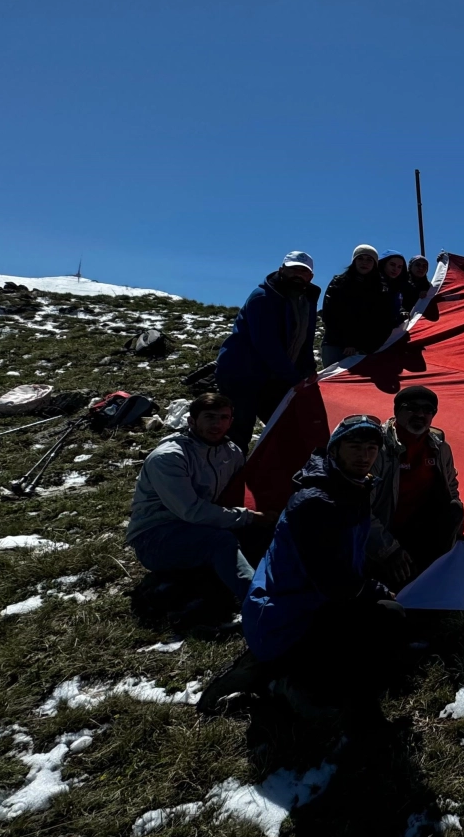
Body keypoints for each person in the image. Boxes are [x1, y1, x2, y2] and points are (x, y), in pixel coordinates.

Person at [240, 414, 406, 709]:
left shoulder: (351, 485)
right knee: (388, 617)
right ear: (335, 450)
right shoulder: (317, 502)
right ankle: (282, 677)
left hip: (308, 598)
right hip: (284, 615)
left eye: (371, 449)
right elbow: (336, 585)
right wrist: (375, 590)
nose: (364, 456)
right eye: (355, 447)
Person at [126, 393, 265, 600]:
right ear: (192, 421)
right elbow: (191, 511)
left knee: (261, 533)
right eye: (209, 417)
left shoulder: (231, 453)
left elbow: (238, 494)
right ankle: (260, 603)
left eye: (223, 418)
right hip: (155, 537)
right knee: (220, 541)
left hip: (202, 526)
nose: (217, 424)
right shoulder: (169, 458)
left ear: (231, 422)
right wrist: (249, 517)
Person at [216, 251, 320, 451]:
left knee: (285, 425)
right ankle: (230, 476)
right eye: (293, 270)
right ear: (282, 270)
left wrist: (308, 368)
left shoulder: (306, 300)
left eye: (303, 271)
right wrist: (293, 377)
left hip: (274, 376)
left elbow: (305, 339)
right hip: (242, 374)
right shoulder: (263, 297)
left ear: (310, 277)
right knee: (240, 431)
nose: (298, 275)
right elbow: (266, 344)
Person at [368, 385, 464, 584]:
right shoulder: (377, 449)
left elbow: (451, 484)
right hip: (387, 528)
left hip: (422, 527)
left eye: (428, 409)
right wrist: (388, 549)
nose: (420, 414)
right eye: (411, 408)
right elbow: (359, 509)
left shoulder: (439, 447)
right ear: (397, 412)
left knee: (453, 511)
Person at [320, 244, 401, 367]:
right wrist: (348, 342)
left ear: (375, 263)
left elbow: (380, 319)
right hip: (335, 344)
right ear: (354, 261)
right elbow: (330, 315)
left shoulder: (381, 288)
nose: (364, 263)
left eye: (369, 259)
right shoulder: (339, 283)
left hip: (366, 348)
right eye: (360, 258)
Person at [380, 252, 413, 318]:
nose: (395, 269)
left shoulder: (400, 287)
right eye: (392, 264)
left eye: (399, 267)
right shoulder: (373, 282)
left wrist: (402, 312)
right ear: (384, 264)